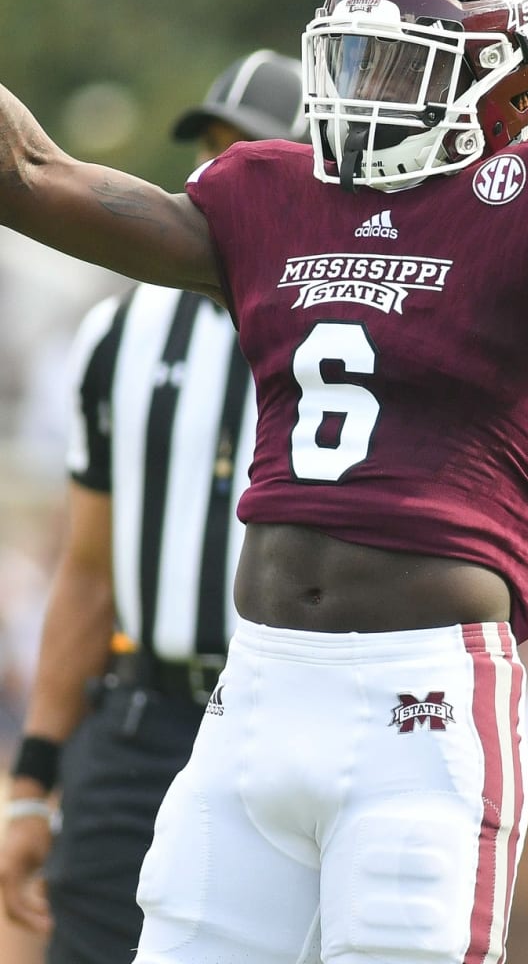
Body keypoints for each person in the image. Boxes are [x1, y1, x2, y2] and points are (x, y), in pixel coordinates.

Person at [0, 0, 528, 963]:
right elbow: (30, 177)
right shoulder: (275, 194)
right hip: (253, 691)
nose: (364, 93)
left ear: (511, 87)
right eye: (352, 60)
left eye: (401, 68)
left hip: (421, 703)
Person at [0, 49, 306, 963]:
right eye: (212, 147)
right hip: (140, 724)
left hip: (288, 719)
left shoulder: (345, 315)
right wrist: (33, 779)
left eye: (250, 150)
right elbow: (90, 572)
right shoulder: (119, 331)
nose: (222, 172)